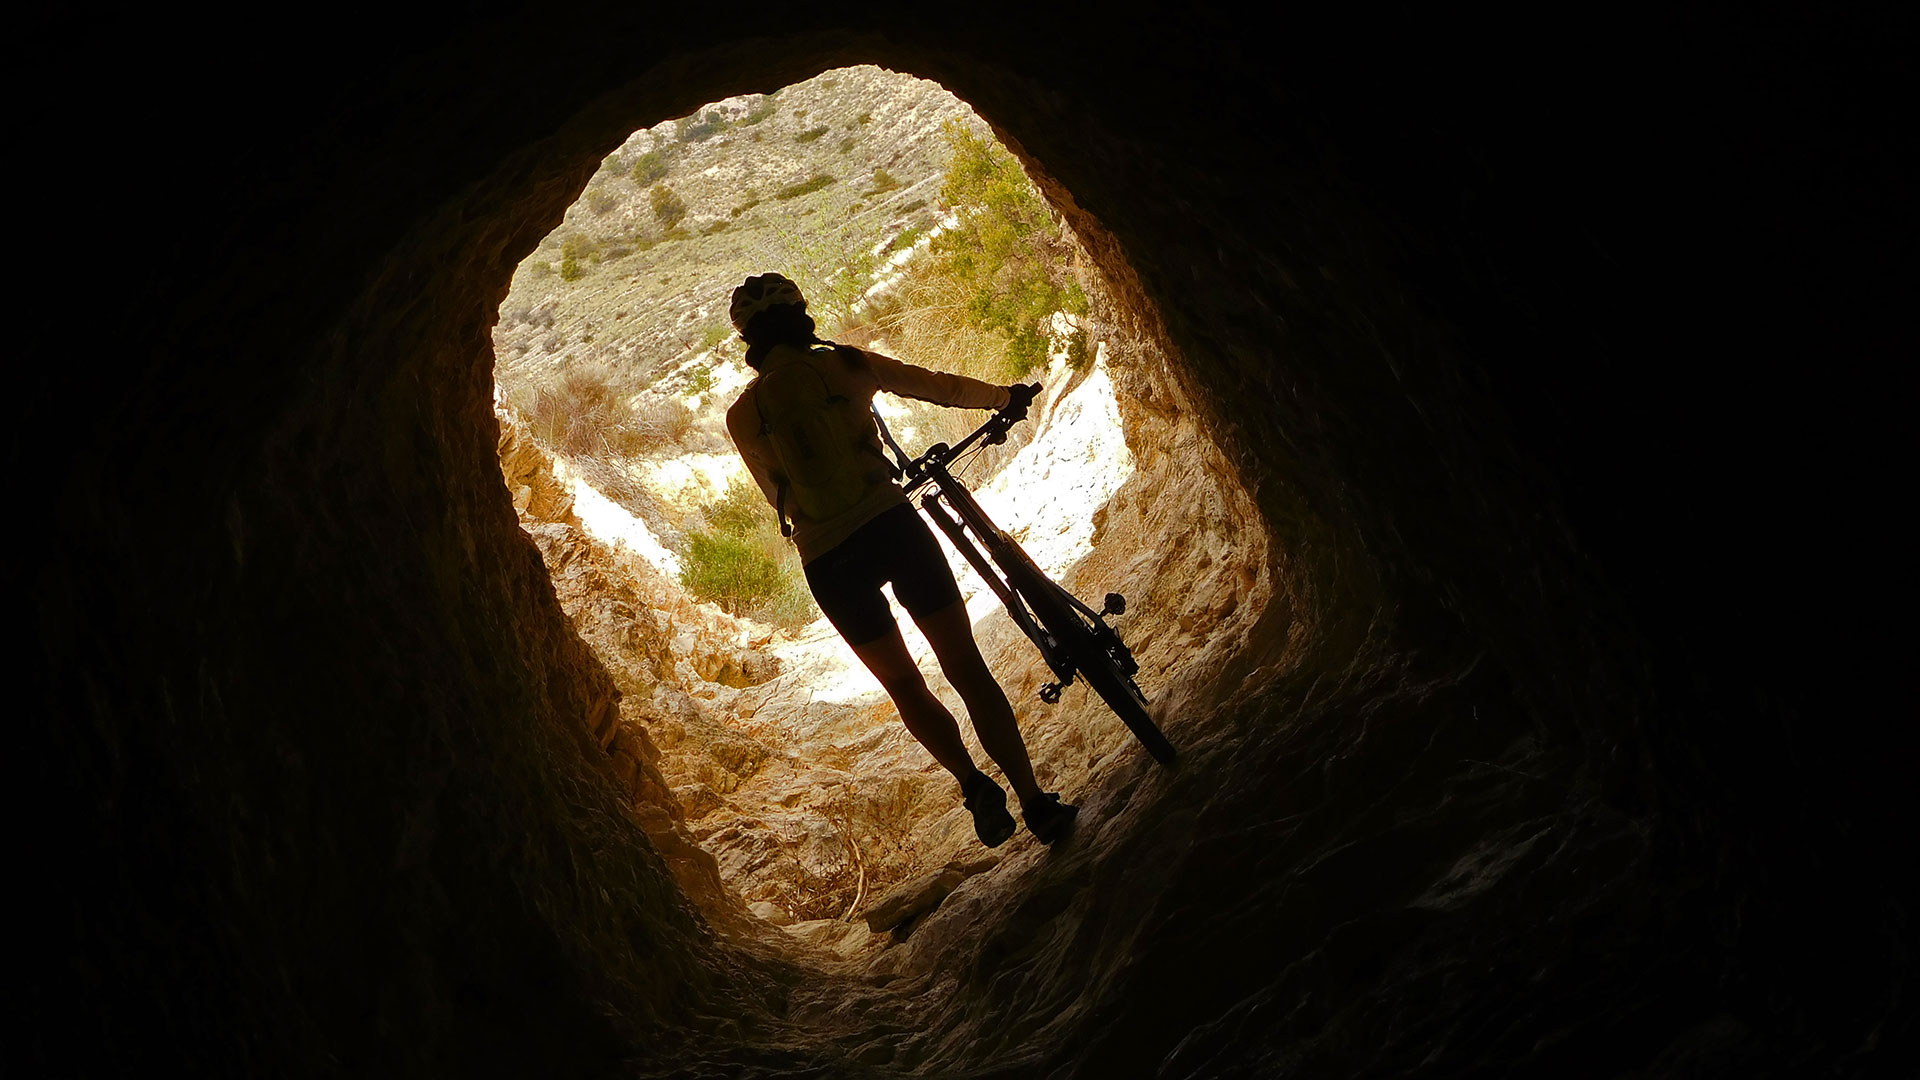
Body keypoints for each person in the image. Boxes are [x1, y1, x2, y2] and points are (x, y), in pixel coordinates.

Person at [723, 272, 1076, 847]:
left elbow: (776, 496)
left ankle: (972, 785)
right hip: (893, 529)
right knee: (964, 666)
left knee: (906, 688)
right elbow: (936, 387)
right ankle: (1037, 802)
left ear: (750, 341)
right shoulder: (846, 366)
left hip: (829, 562)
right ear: (801, 316)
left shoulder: (743, 416)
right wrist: (1004, 398)